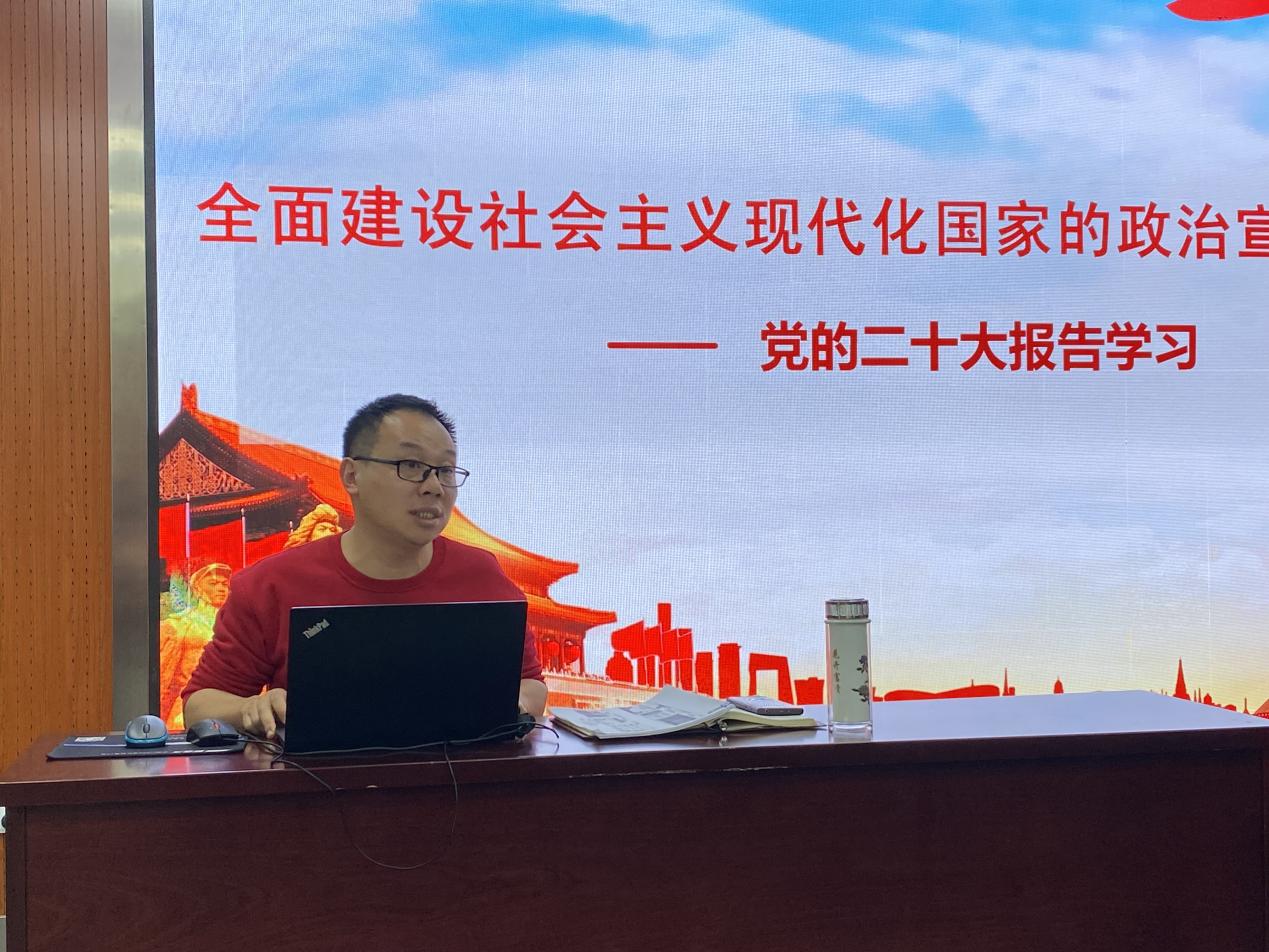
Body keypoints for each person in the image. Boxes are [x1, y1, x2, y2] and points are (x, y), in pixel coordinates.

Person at [182, 394, 546, 737]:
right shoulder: (270, 584)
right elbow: (199, 706)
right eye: (412, 466)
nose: (434, 486)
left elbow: (530, 683)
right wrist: (252, 707)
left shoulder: (481, 574)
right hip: (318, 781)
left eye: (446, 470)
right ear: (352, 476)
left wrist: (500, 706)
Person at [158, 562, 232, 729]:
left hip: (228, 705)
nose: (221, 588)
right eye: (213, 583)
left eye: (224, 584)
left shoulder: (236, 626)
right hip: (187, 705)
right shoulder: (180, 625)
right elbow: (164, 676)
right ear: (198, 588)